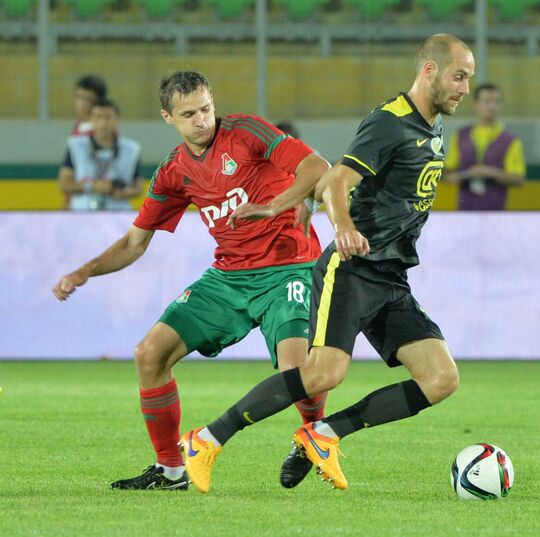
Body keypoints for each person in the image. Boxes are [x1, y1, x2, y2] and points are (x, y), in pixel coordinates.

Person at [179, 33, 475, 493]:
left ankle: (324, 434)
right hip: (352, 267)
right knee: (322, 374)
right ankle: (206, 439)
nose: (465, 88)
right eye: (459, 76)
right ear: (430, 70)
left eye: (469, 79)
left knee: (440, 378)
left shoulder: (432, 130)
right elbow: (336, 180)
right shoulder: (390, 121)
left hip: (391, 278)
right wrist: (343, 227)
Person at [52, 71, 331, 490]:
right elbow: (134, 243)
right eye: (189, 114)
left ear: (212, 102)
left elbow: (317, 166)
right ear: (168, 117)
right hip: (229, 277)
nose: (201, 120)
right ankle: (170, 470)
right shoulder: (174, 171)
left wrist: (272, 207)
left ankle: (312, 436)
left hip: (290, 266)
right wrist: (83, 271)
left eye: (205, 109)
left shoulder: (247, 132)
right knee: (149, 354)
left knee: (298, 373)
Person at [443, 82, 525, 210]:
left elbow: (518, 179)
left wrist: (489, 172)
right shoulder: (460, 136)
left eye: (496, 102)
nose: (492, 107)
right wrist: (466, 175)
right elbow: (448, 174)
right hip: (464, 213)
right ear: (476, 105)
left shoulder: (511, 141)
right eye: (487, 101)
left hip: (495, 213)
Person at [58, 98, 144, 211]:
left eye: (108, 117)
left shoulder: (131, 149)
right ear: (90, 120)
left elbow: (138, 187)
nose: (103, 123)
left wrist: (126, 192)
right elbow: (64, 184)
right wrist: (92, 186)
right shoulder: (76, 146)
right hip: (81, 216)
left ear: (118, 119)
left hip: (118, 216)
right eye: (98, 117)